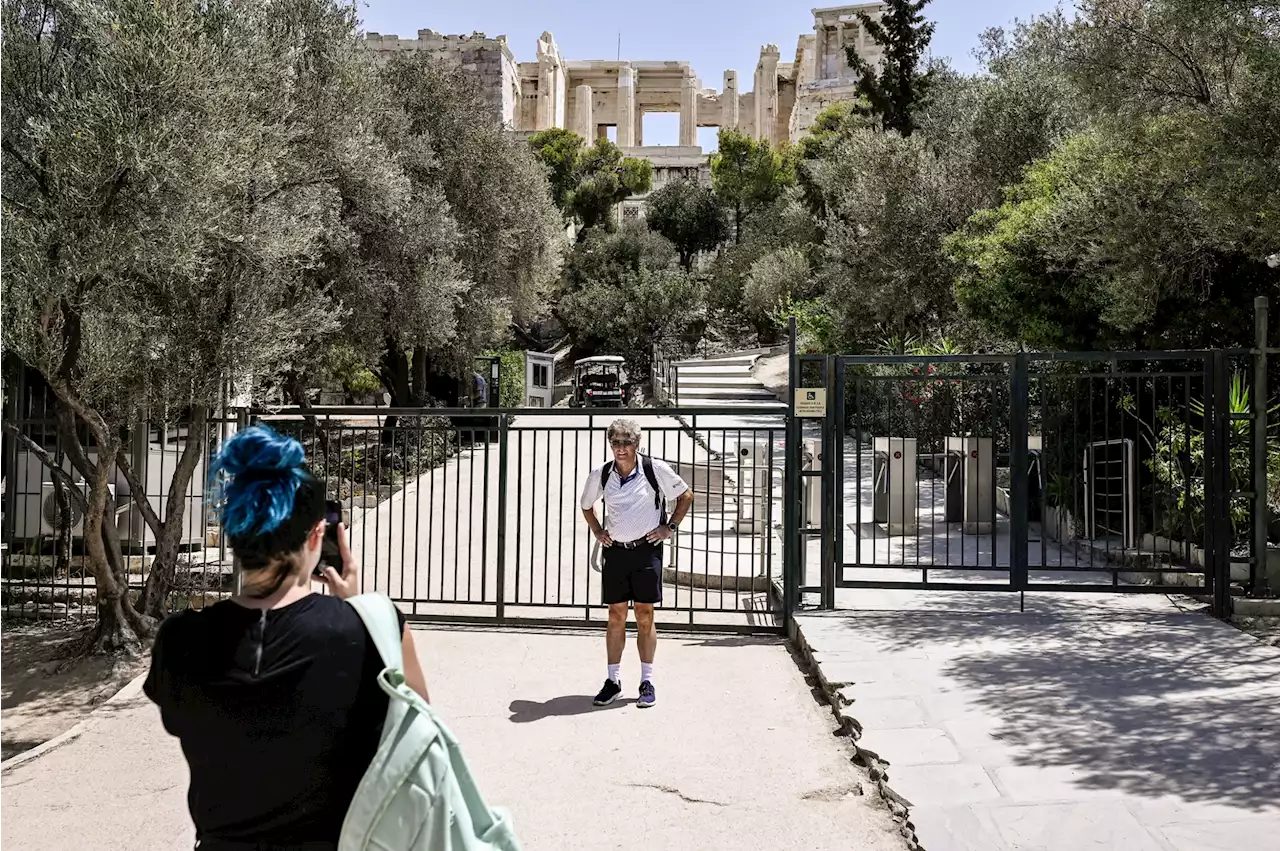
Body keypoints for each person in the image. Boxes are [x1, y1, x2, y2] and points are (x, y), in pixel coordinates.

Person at [144, 425, 429, 851]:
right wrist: (359, 609)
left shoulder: (179, 640)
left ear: (235, 535)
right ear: (317, 535)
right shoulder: (370, 628)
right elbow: (420, 731)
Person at [579, 418, 694, 709]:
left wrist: (670, 527)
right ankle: (613, 681)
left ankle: (646, 681)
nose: (620, 448)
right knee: (616, 616)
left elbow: (685, 496)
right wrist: (597, 531)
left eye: (625, 442)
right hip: (616, 552)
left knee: (645, 615)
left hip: (646, 551)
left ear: (636, 443)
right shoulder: (602, 474)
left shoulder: (655, 469)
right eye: (615, 442)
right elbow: (586, 505)